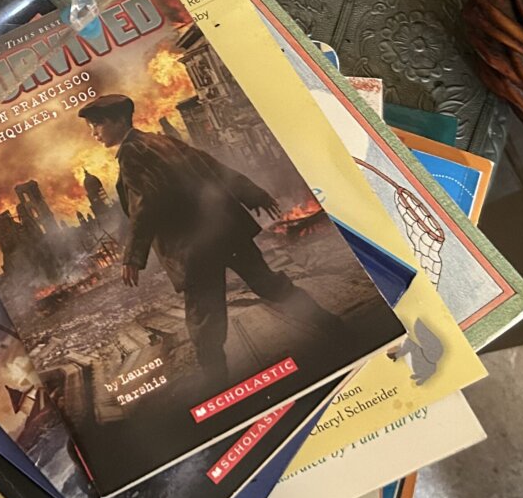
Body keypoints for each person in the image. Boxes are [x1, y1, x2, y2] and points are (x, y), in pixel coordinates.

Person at [80, 93, 343, 387]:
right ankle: (334, 326)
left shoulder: (132, 154)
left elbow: (145, 205)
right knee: (270, 284)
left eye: (97, 126)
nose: (93, 134)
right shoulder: (161, 141)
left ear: (117, 120)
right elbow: (212, 167)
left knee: (204, 321)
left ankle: (218, 387)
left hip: (194, 249)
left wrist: (132, 256)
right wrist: (252, 192)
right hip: (226, 233)